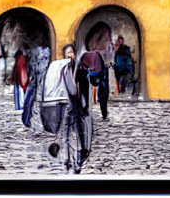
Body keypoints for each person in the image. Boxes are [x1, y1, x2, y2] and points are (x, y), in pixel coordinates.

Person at [43, 44, 91, 173]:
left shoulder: (80, 71)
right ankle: (69, 161)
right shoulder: (62, 71)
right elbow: (66, 89)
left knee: (80, 135)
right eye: (68, 53)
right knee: (67, 136)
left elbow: (79, 90)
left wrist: (85, 105)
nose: (70, 55)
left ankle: (80, 157)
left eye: (72, 53)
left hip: (77, 109)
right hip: (67, 109)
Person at [77, 49, 110, 121]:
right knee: (102, 91)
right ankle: (102, 111)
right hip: (98, 66)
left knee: (102, 91)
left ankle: (102, 111)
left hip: (99, 65)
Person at [22, 45, 51, 128]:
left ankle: (31, 121)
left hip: (40, 82)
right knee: (30, 102)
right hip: (35, 81)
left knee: (34, 102)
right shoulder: (36, 53)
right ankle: (28, 120)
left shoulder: (44, 53)